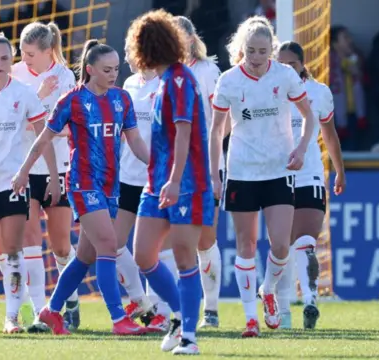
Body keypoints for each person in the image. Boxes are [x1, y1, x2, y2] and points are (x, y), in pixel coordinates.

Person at [12, 39, 150, 336]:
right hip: (83, 183)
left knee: (85, 256)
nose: (114, 74)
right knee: (109, 246)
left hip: (111, 185)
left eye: (116, 68)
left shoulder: (122, 99)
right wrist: (24, 170)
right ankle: (118, 319)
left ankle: (51, 311)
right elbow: (44, 138)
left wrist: (158, 166)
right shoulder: (71, 101)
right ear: (90, 70)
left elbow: (136, 141)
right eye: (107, 69)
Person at [210, 16, 316, 337]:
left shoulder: (284, 76)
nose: (256, 58)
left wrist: (300, 148)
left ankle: (267, 289)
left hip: (278, 169)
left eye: (262, 51)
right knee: (246, 244)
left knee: (281, 245)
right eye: (251, 51)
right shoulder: (228, 80)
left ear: (272, 49)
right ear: (241, 49)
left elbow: (308, 117)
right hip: (241, 171)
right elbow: (216, 132)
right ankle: (250, 319)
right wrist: (217, 174)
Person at [126, 9, 214, 355]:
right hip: (158, 182)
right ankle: (180, 316)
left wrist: (175, 180)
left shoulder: (179, 79)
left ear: (145, 47)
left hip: (186, 183)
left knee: (183, 256)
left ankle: (190, 336)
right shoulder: (164, 80)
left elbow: (184, 131)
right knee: (143, 254)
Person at [0, 32, 61, 334]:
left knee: (13, 249)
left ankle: (13, 317)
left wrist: (53, 177)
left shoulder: (24, 94)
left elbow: (45, 138)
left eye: (5, 57)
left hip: (14, 182)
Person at [11, 21, 80, 332]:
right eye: (22, 53)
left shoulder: (66, 77)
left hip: (59, 167)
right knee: (29, 240)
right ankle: (41, 310)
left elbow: (68, 126)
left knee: (61, 245)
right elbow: (14, 124)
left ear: (48, 51)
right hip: (25, 167)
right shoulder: (15, 74)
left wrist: (48, 128)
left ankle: (71, 298)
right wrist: (37, 102)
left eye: (30, 54)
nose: (25, 59)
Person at [276, 41, 345, 330]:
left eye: (291, 64)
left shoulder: (319, 93)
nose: (285, 69)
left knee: (305, 242)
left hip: (310, 174)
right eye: (281, 64)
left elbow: (329, 135)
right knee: (280, 247)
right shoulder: (269, 91)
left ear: (302, 64)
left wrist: (339, 171)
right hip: (275, 175)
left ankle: (310, 301)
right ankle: (282, 313)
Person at [175, 15, 225, 329]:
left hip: (204, 167)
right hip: (171, 169)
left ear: (192, 40)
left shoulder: (207, 71)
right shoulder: (161, 73)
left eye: (181, 38)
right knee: (168, 241)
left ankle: (212, 310)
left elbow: (223, 119)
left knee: (204, 240)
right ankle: (172, 311)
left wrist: (211, 158)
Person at [113, 45, 160, 331]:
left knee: (152, 250)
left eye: (130, 52)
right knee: (113, 243)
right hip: (127, 176)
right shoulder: (129, 84)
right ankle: (140, 299)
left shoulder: (165, 84)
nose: (127, 57)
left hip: (154, 178)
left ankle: (161, 310)